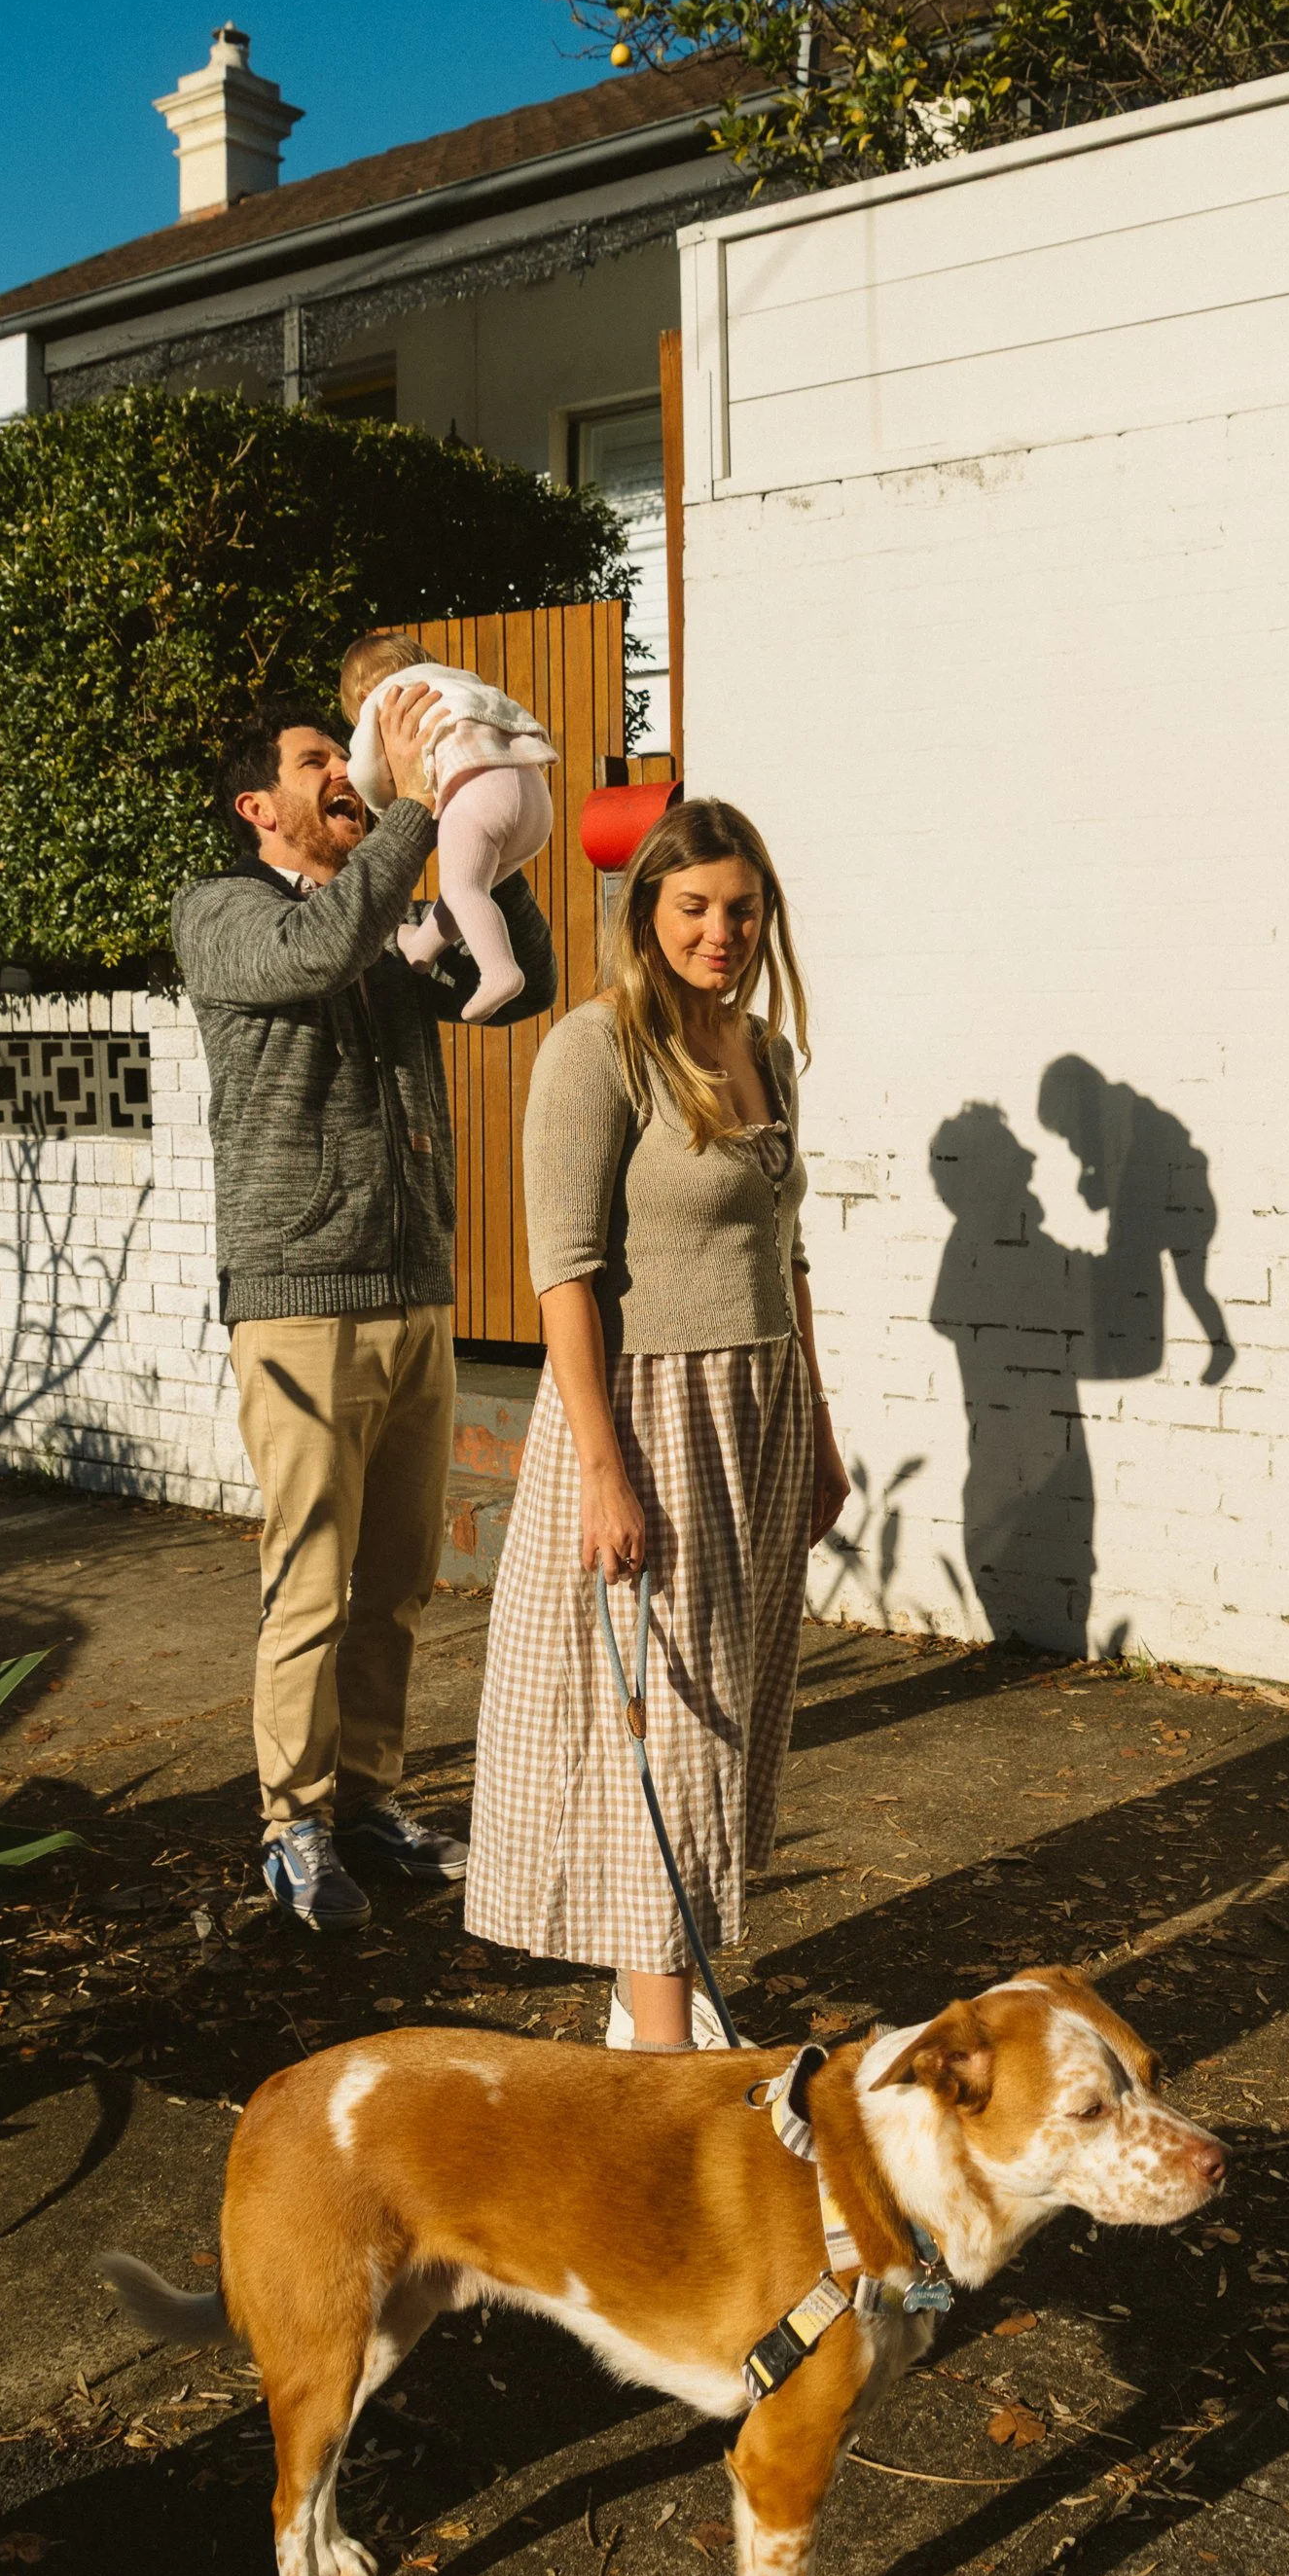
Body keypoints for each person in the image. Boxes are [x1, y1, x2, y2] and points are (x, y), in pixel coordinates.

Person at [465, 798, 850, 2050]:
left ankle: (651, 2001)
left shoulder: (766, 1054)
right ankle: (662, 2042)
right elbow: (564, 1273)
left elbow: (786, 1258)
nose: (720, 931)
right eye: (694, 907)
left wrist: (824, 1428)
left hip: (762, 1408)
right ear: (648, 911)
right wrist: (600, 1468)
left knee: (728, 1716)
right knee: (666, 1726)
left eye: (741, 909)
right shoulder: (597, 1050)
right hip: (651, 1413)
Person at [173, 692, 558, 1931]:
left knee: (397, 1578)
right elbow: (315, 955)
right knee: (310, 1580)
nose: (342, 772)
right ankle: (291, 1821)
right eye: (316, 762)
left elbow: (530, 979)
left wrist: (480, 830)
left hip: (413, 1288)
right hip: (298, 1305)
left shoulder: (385, 906)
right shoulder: (221, 913)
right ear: (259, 807)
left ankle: (370, 1801)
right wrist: (400, 812)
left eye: (341, 756)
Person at [340, 630, 556, 1022]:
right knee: (472, 888)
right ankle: (421, 947)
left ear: (360, 694)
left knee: (463, 887)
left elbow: (366, 772)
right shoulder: (461, 681)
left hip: (477, 792)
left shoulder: (384, 701)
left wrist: (389, 807)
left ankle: (499, 971)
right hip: (534, 796)